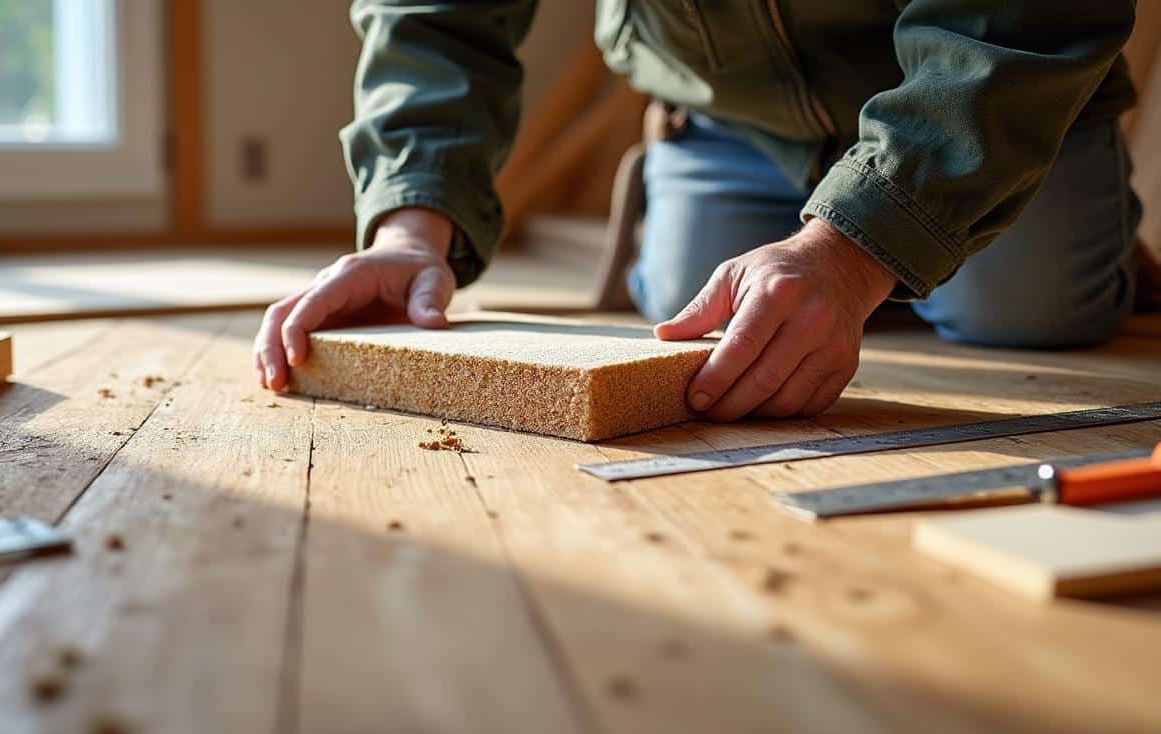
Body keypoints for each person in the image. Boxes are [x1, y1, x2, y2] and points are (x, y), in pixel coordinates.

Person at [254, 1, 1141, 422]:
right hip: (731, 121)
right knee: (693, 317)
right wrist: (411, 224)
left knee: (1026, 313)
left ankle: (966, 223)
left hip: (974, 89)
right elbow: (436, 13)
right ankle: (857, 252)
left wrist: (851, 256)